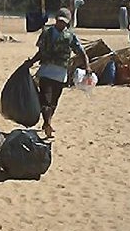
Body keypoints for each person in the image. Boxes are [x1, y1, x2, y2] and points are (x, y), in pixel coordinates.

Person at [26, 8, 91, 138]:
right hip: (46, 72)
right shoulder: (46, 33)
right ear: (56, 19)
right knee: (46, 100)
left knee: (54, 102)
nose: (61, 24)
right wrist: (31, 61)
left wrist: (87, 66)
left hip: (61, 75)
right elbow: (41, 52)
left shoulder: (70, 36)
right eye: (60, 21)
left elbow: (81, 52)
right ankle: (48, 123)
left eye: (64, 22)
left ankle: (47, 122)